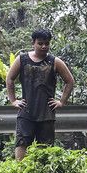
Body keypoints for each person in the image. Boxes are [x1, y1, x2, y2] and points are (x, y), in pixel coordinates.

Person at [5, 28, 75, 159]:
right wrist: (13, 100)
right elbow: (9, 79)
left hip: (46, 112)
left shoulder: (55, 61)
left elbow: (70, 81)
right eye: (40, 43)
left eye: (47, 43)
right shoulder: (22, 59)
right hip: (26, 110)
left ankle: (43, 172)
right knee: (22, 142)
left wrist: (61, 102)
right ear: (33, 43)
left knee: (46, 146)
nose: (44, 46)